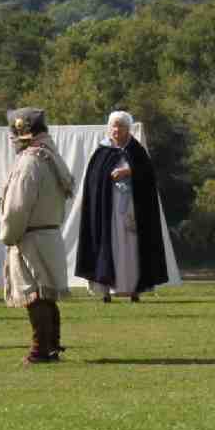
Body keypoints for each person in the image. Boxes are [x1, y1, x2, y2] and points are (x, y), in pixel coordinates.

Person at [0, 108, 75, 364]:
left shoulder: (29, 162)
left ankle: (40, 350)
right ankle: (51, 346)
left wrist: (9, 235)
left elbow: (17, 206)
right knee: (46, 294)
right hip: (48, 233)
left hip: (31, 236)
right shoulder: (50, 157)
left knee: (35, 295)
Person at [76, 111, 169, 303]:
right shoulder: (102, 151)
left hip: (133, 212)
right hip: (108, 214)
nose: (117, 130)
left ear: (129, 129)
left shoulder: (137, 151)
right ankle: (106, 290)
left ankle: (133, 289)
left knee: (132, 249)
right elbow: (94, 182)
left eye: (121, 126)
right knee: (108, 246)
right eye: (114, 126)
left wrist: (129, 171)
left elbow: (148, 176)